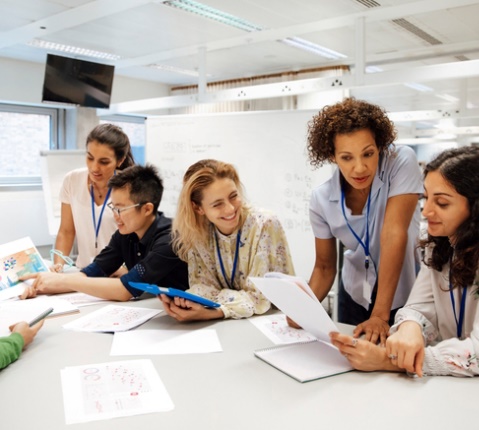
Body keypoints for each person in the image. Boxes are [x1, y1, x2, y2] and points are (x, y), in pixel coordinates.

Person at [330, 146, 479, 377]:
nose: (426, 212)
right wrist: (410, 329)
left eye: (442, 202)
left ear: (478, 206)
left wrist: (388, 360)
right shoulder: (442, 241)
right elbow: (419, 307)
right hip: (471, 376)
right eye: (426, 198)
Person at [301, 97, 422, 343]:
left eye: (368, 154)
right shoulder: (322, 199)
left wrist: (380, 315)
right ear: (332, 156)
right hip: (355, 292)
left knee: (396, 364)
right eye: (347, 157)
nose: (359, 168)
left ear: (380, 146)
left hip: (403, 289)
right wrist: (303, 310)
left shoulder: (401, 162)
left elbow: (394, 233)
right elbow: (324, 268)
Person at [20, 164, 188, 301]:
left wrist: (61, 280)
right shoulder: (126, 233)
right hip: (155, 308)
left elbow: (125, 290)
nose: (115, 216)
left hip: (188, 318)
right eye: (113, 207)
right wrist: (41, 284)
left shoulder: (170, 239)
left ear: (147, 209)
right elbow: (91, 273)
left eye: (120, 209)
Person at [159, 159, 295, 321]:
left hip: (271, 321)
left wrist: (215, 311)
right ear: (198, 208)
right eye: (217, 204)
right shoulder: (198, 232)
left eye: (233, 196)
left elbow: (259, 298)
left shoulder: (264, 224)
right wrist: (184, 302)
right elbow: (202, 289)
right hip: (227, 324)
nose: (230, 209)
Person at [52, 123, 135, 272]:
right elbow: (66, 231)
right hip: (83, 271)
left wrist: (125, 270)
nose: (94, 168)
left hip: (118, 274)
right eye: (90, 158)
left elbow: (137, 239)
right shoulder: (72, 180)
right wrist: (59, 265)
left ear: (120, 160)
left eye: (104, 162)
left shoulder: (131, 187)